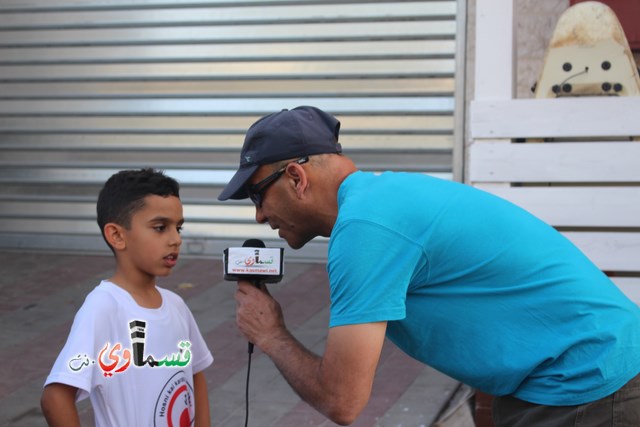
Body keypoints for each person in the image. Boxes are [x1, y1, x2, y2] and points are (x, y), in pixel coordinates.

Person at [218, 106, 640, 426]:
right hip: (586, 364)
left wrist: (270, 334)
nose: (259, 216)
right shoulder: (387, 198)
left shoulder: (366, 229)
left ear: (296, 177)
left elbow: (342, 400)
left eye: (257, 196)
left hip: (589, 383)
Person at [41, 168, 213, 427]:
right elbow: (55, 397)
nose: (175, 239)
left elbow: (195, 373)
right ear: (117, 236)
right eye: (160, 228)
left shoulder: (176, 305)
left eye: (178, 228)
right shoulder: (104, 307)